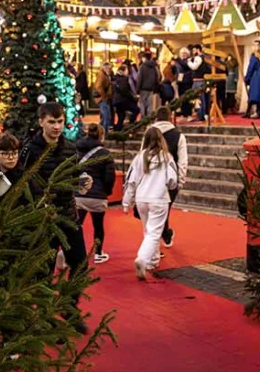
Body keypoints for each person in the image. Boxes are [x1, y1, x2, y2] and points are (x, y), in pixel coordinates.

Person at [19, 102, 92, 333]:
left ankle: (69, 307)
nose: (57, 126)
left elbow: (74, 175)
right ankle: (44, 315)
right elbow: (22, 182)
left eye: (60, 121)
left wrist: (83, 180)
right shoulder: (30, 149)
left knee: (80, 263)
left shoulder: (70, 148)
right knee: (44, 270)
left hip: (68, 215)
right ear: (41, 122)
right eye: (52, 121)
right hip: (43, 219)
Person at [122, 127, 178, 279]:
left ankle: (153, 260)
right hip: (159, 198)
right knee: (154, 232)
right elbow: (173, 181)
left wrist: (126, 202)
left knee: (148, 230)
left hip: (141, 198)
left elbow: (131, 180)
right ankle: (143, 258)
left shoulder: (139, 157)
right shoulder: (167, 157)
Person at [75, 123, 116, 264]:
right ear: (101, 135)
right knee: (98, 226)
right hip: (97, 195)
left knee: (76, 225)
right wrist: (107, 191)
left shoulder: (77, 150)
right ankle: (98, 253)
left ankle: (70, 252)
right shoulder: (105, 154)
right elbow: (109, 176)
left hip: (78, 194)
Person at [151, 106, 188, 248]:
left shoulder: (150, 133)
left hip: (152, 176)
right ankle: (162, 237)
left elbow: (143, 155)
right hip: (170, 178)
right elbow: (182, 161)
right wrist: (181, 180)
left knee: (159, 210)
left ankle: (163, 235)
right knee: (164, 208)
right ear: (170, 117)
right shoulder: (178, 136)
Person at [113, 64, 140, 130]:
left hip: (117, 101)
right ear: (123, 71)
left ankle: (118, 130)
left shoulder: (116, 77)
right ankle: (130, 123)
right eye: (127, 70)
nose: (128, 72)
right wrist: (133, 98)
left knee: (121, 117)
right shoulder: (123, 79)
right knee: (136, 109)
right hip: (123, 100)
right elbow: (124, 91)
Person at [244, 40, 260, 119]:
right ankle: (259, 112)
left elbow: (251, 68)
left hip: (256, 76)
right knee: (259, 95)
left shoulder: (255, 56)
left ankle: (249, 112)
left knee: (253, 95)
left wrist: (247, 78)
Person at [188, 44, 210, 122]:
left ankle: (200, 115)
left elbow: (194, 67)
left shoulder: (198, 58)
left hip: (198, 81)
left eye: (194, 50)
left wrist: (189, 62)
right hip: (200, 80)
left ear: (198, 50)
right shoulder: (203, 58)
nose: (193, 52)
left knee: (199, 99)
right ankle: (201, 115)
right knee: (199, 99)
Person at [136, 51, 161, 118]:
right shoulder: (154, 66)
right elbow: (158, 77)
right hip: (151, 88)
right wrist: (155, 88)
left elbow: (139, 78)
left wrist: (137, 89)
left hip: (143, 88)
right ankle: (149, 118)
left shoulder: (142, 66)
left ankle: (143, 117)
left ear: (144, 58)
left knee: (142, 104)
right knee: (150, 104)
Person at [94, 61, 113, 131]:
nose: (110, 70)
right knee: (107, 116)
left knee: (105, 117)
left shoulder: (104, 75)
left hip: (103, 98)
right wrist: (104, 96)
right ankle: (103, 131)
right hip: (102, 99)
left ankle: (98, 130)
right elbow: (99, 87)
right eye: (109, 68)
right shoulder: (102, 76)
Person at [176, 48, 193, 119]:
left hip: (187, 81)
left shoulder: (189, 61)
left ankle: (188, 114)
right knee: (181, 98)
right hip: (180, 81)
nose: (183, 55)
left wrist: (177, 59)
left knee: (187, 98)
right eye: (182, 54)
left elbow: (185, 65)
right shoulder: (179, 62)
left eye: (184, 54)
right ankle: (183, 113)